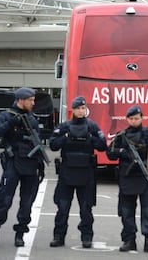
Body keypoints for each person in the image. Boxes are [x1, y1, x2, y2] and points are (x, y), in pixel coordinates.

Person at [0, 87, 46, 247]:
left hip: (31, 165)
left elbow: (37, 141)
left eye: (33, 100)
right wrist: (10, 123)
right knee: (3, 199)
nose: (33, 103)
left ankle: (20, 234)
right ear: (20, 100)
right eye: (30, 100)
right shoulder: (6, 115)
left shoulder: (32, 118)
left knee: (27, 202)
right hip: (13, 163)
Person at [49, 96, 107, 248]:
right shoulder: (65, 126)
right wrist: (67, 136)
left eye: (83, 108)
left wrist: (89, 138)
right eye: (78, 108)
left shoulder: (92, 126)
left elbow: (103, 145)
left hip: (86, 173)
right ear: (73, 110)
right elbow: (53, 145)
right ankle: (58, 236)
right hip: (67, 172)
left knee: (86, 209)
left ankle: (86, 237)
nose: (81, 111)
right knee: (62, 207)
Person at [106, 105, 148, 254]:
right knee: (126, 211)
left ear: (141, 118)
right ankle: (129, 240)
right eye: (131, 118)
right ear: (127, 119)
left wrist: (147, 167)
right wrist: (122, 152)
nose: (134, 121)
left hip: (144, 177)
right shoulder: (122, 135)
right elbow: (110, 153)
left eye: (136, 118)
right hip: (127, 178)